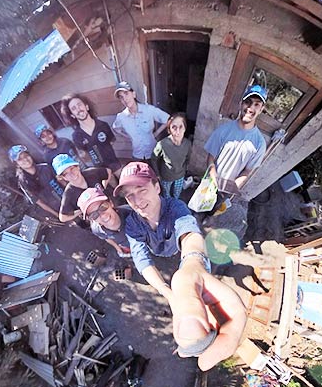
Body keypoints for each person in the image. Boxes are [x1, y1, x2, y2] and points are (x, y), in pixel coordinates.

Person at [114, 161, 247, 370]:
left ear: (157, 187)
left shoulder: (176, 208)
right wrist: (166, 292)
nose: (137, 201)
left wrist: (194, 263)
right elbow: (141, 259)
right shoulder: (133, 223)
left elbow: (189, 233)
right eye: (130, 196)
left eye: (142, 190)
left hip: (180, 252)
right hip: (163, 253)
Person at [203, 84, 268, 202]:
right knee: (199, 207)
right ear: (241, 104)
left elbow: (248, 171)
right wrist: (214, 179)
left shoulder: (259, 143)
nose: (250, 108)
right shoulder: (223, 130)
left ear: (262, 108)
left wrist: (232, 187)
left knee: (214, 212)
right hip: (210, 182)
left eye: (257, 104)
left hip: (227, 191)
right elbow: (211, 157)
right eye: (248, 102)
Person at [60, 93, 122, 174]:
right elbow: (85, 155)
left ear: (87, 107)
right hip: (100, 171)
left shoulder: (103, 125)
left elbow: (112, 141)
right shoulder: (76, 136)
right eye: (74, 108)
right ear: (72, 115)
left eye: (79, 105)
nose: (78, 109)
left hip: (115, 164)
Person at [111, 81, 170, 163]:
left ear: (133, 94)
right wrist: (129, 137)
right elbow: (116, 128)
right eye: (121, 97)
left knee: (156, 175)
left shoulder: (149, 110)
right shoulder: (121, 117)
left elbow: (167, 119)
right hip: (137, 156)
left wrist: (156, 133)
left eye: (126, 93)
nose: (125, 99)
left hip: (153, 154)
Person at [53, 153, 118, 225]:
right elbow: (63, 217)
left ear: (78, 167)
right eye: (66, 173)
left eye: (72, 169)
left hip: (109, 206)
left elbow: (108, 171)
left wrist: (105, 184)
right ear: (63, 178)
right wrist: (81, 211)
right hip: (97, 219)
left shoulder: (92, 173)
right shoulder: (69, 194)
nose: (72, 174)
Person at [9, 145, 64, 220]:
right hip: (58, 211)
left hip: (67, 200)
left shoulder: (46, 168)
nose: (25, 159)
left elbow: (63, 182)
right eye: (20, 159)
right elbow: (39, 202)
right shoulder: (24, 182)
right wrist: (58, 215)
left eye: (26, 156)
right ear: (16, 164)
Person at [76, 186, 132, 258]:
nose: (102, 215)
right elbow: (106, 238)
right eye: (94, 215)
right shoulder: (96, 230)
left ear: (111, 203)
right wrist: (117, 247)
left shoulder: (131, 212)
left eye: (103, 207)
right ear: (92, 220)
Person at [153, 113, 192, 199]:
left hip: (180, 176)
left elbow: (188, 158)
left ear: (185, 128)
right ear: (169, 130)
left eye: (181, 127)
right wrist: (157, 174)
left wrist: (185, 169)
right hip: (166, 177)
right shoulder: (162, 144)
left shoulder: (187, 144)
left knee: (177, 195)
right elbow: (154, 159)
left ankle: (175, 207)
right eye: (174, 127)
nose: (178, 131)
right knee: (166, 195)